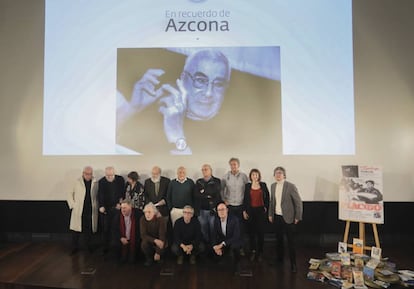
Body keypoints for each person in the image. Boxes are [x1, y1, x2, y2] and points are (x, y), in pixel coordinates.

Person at [117, 49, 231, 155]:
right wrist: (133, 109)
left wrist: (176, 135)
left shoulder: (229, 132)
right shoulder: (161, 110)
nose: (208, 93)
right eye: (200, 80)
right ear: (183, 79)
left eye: (219, 84)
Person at [268, 166, 303, 273]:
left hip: (289, 218)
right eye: (276, 173)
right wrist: (270, 214)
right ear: (274, 175)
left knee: (291, 242)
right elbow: (272, 201)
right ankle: (280, 260)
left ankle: (293, 264)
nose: (278, 175)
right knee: (279, 241)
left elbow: (298, 203)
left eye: (280, 173)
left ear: (284, 175)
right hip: (277, 217)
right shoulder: (273, 186)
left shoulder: (290, 186)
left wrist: (298, 216)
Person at [67, 166, 99, 255]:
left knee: (88, 230)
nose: (88, 176)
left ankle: (88, 247)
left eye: (90, 174)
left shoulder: (95, 182)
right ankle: (74, 247)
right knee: (75, 230)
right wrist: (73, 205)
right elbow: (69, 193)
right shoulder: (76, 181)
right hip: (79, 209)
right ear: (83, 173)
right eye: (87, 174)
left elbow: (97, 195)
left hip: (90, 209)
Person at [221, 157, 248, 255]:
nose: (233, 166)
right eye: (231, 164)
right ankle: (230, 247)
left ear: (238, 165)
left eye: (235, 164)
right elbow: (221, 189)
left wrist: (245, 206)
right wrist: (224, 200)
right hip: (230, 206)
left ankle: (240, 248)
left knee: (241, 228)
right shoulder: (225, 176)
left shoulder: (244, 176)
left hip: (240, 205)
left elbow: (247, 190)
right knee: (230, 228)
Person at [243, 169, 269, 262]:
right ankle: (253, 251)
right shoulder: (247, 186)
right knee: (251, 233)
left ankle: (260, 252)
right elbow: (245, 199)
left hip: (260, 211)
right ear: (250, 176)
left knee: (260, 233)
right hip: (250, 211)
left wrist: (266, 207)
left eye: (256, 174)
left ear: (259, 176)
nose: (255, 176)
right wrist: (244, 211)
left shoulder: (263, 185)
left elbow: (267, 197)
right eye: (253, 174)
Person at [98, 166, 126, 253]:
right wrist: (101, 206)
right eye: (107, 175)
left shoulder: (120, 179)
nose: (109, 177)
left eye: (111, 175)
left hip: (117, 208)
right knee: (105, 229)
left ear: (114, 173)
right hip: (106, 209)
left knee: (117, 228)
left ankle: (117, 247)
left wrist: (120, 203)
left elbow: (123, 193)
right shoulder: (102, 181)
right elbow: (100, 194)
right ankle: (105, 247)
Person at [194, 164, 222, 243]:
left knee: (213, 230)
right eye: (203, 170)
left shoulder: (217, 181)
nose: (204, 171)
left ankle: (214, 247)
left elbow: (216, 193)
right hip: (201, 211)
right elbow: (196, 195)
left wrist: (203, 192)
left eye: (206, 169)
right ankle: (206, 248)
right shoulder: (198, 181)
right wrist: (208, 195)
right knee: (203, 230)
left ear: (211, 171)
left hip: (212, 210)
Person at [212, 202, 242, 274]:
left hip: (234, 240)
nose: (221, 212)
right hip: (223, 241)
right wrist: (215, 246)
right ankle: (222, 259)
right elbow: (214, 234)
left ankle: (237, 265)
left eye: (223, 209)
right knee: (212, 253)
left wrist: (222, 244)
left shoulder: (234, 219)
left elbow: (236, 236)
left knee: (235, 247)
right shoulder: (216, 220)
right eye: (219, 210)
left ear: (227, 210)